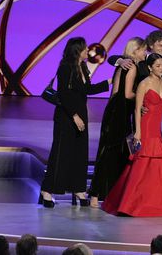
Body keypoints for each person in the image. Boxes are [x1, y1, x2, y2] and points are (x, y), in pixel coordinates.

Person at [102, 54, 162, 216]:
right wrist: (138, 132)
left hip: (160, 127)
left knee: (161, 165)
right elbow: (137, 108)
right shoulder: (143, 84)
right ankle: (131, 203)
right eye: (158, 66)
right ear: (149, 68)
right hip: (146, 127)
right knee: (142, 164)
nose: (161, 68)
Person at [40, 37, 111, 207]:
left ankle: (78, 189)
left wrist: (109, 82)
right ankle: (47, 190)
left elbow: (87, 89)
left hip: (81, 114)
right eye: (85, 48)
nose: (89, 51)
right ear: (77, 50)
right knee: (61, 152)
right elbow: (64, 95)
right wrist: (74, 116)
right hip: (66, 116)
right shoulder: (65, 67)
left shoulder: (83, 66)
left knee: (80, 152)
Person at [89, 37, 146, 207]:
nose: (145, 53)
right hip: (121, 112)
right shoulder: (132, 66)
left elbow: (115, 91)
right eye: (143, 50)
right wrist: (143, 97)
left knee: (108, 151)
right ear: (135, 51)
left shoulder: (122, 65)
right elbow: (128, 94)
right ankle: (101, 193)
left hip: (113, 109)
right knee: (114, 152)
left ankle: (100, 194)